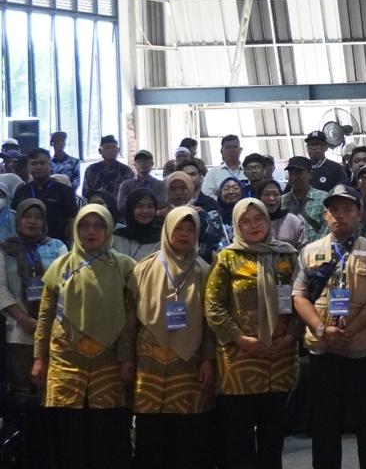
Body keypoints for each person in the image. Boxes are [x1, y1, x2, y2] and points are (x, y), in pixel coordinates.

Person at [292, 185, 366, 469]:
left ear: (360, 214)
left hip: (362, 350)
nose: (340, 215)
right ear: (325, 215)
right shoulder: (309, 252)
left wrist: (349, 332)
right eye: (334, 210)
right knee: (324, 424)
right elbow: (299, 296)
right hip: (323, 351)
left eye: (347, 209)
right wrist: (322, 331)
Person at [31, 205, 136, 469]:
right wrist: (39, 358)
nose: (91, 231)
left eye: (98, 225)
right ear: (75, 229)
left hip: (108, 362)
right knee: (67, 433)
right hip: (65, 359)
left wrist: (126, 358)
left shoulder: (124, 267)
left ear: (109, 229)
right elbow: (45, 315)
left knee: (105, 433)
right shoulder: (61, 266)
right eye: (84, 225)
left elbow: (130, 317)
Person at [204, 197, 301, 469]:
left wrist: (291, 337)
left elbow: (302, 299)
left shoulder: (288, 255)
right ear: (237, 226)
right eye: (245, 222)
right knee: (239, 440)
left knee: (273, 438)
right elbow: (213, 305)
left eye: (258, 219)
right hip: (239, 360)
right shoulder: (227, 257)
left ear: (268, 220)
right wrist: (240, 339)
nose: (253, 225)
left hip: (279, 358)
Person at [131, 207, 215, 469]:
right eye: (178, 228)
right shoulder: (144, 267)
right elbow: (130, 319)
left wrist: (208, 359)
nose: (184, 234)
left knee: (187, 434)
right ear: (167, 230)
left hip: (190, 363)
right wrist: (126, 359)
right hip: (149, 362)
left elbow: (210, 321)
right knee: (151, 433)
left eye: (190, 229)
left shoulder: (204, 270)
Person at [0, 198, 68, 465]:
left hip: (53, 328)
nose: (32, 221)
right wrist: (24, 319)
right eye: (27, 216)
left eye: (38, 217)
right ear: (18, 220)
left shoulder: (57, 246)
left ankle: (48, 447)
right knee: (20, 389)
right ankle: (22, 449)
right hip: (18, 330)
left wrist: (46, 322)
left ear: (45, 221)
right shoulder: (4, 249)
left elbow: (66, 284)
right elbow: (1, 288)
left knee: (50, 388)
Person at [18, 149, 79, 243]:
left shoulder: (65, 191)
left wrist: (72, 245)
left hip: (57, 245)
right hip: (26, 245)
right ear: (28, 167)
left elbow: (72, 221)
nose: (38, 167)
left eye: (42, 163)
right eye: (34, 164)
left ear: (51, 165)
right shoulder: (21, 192)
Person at [282, 156, 329, 241]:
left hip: (318, 247)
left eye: (298, 173)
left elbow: (327, 228)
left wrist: (313, 248)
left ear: (310, 174)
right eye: (291, 173)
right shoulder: (282, 201)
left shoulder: (324, 198)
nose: (294, 177)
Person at [113, 189, 163, 261]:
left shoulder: (162, 237)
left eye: (150, 206)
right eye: (140, 206)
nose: (145, 211)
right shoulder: (116, 237)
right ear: (131, 209)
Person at [83, 135, 133, 202]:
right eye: (107, 147)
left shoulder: (126, 171)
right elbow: (86, 193)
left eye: (114, 147)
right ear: (100, 151)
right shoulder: (92, 169)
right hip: (98, 205)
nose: (111, 150)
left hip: (119, 207)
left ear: (118, 150)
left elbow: (131, 194)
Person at [199, 135, 246, 199]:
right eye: (228, 148)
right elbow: (206, 194)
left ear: (240, 150)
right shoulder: (213, 173)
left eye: (235, 147)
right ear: (221, 151)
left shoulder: (247, 171)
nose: (232, 150)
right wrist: (223, 201)